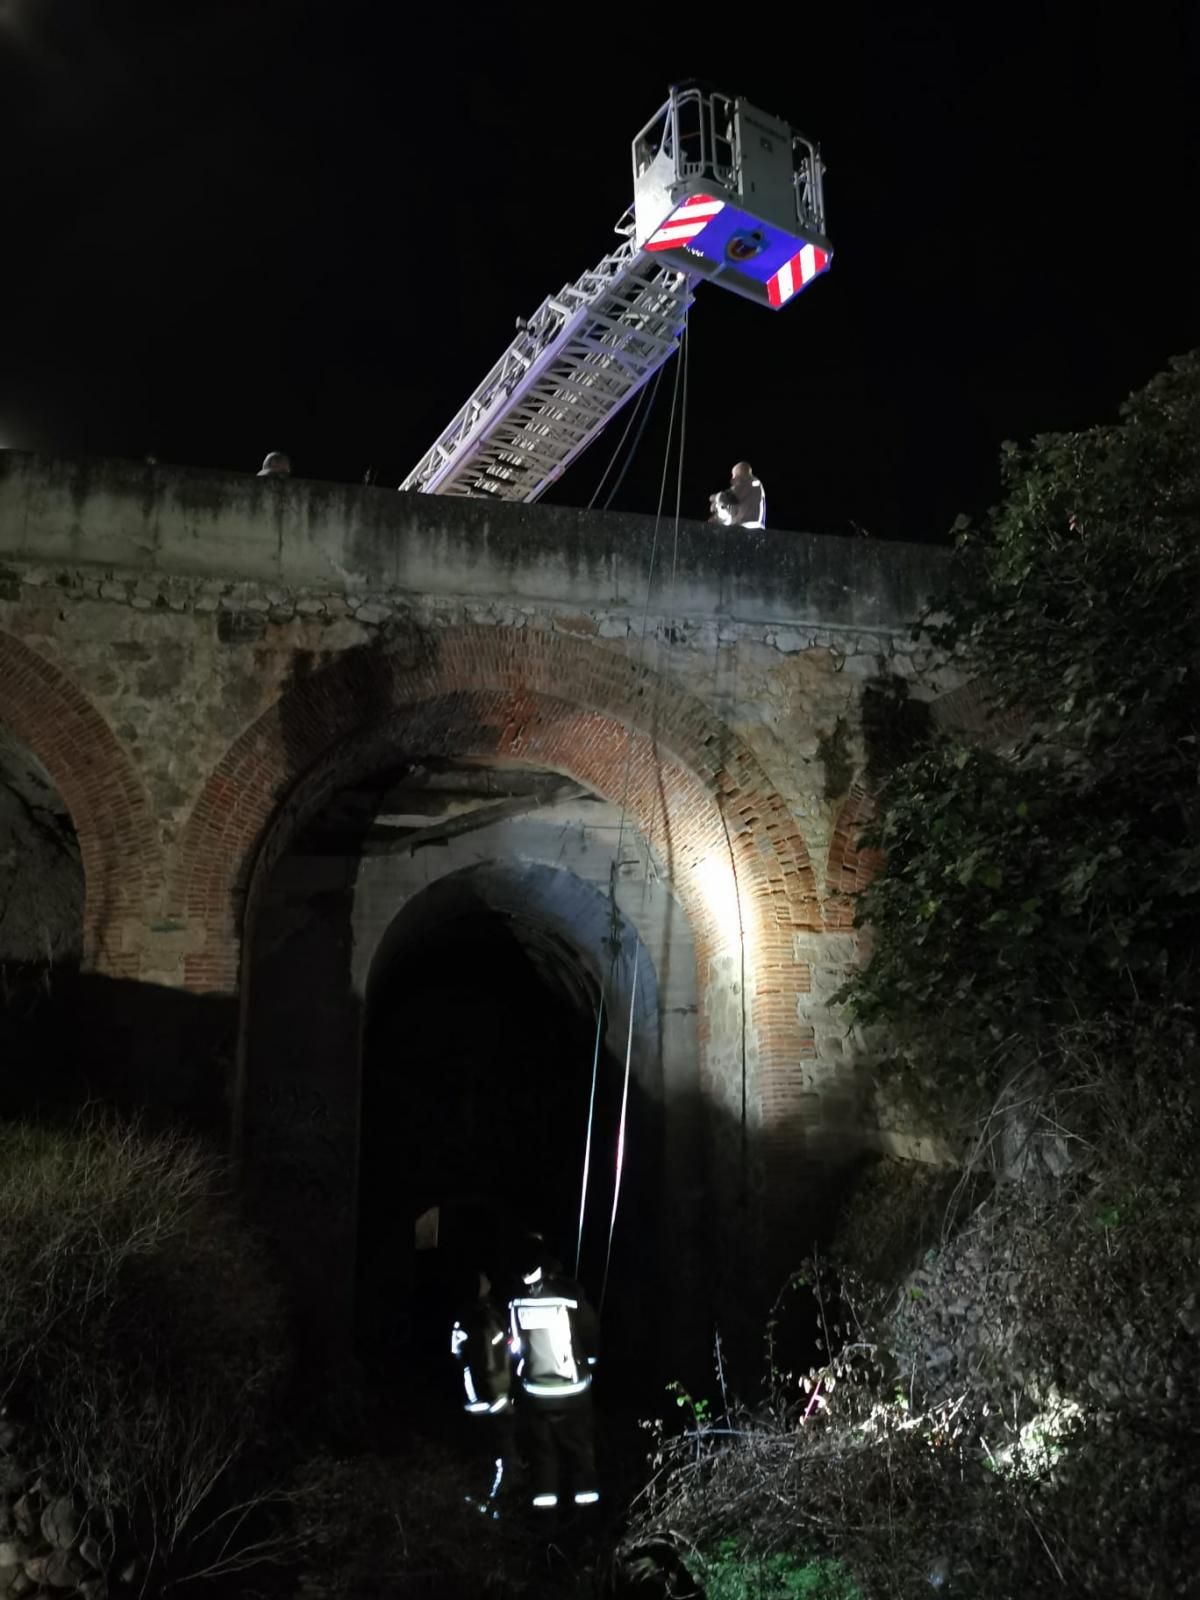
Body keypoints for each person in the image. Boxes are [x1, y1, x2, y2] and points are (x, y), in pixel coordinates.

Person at [508, 1233, 600, 1513]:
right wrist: (591, 1362)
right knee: (579, 1451)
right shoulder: (568, 1293)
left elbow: (516, 1347)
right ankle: (586, 1518)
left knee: (543, 1455)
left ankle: (545, 1519)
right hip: (571, 1390)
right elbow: (589, 1332)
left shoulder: (517, 1300)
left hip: (535, 1392)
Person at [450, 1269, 515, 1517]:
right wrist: (500, 1395)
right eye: (485, 1279)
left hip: (472, 1396)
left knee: (477, 1451)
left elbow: (456, 1354)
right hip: (493, 1396)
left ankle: (472, 1499)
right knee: (499, 1453)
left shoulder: (462, 1317)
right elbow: (491, 1360)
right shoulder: (485, 1317)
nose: (489, 1281)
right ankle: (493, 1505)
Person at [708, 461, 766, 529]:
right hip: (747, 526)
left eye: (734, 475)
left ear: (741, 472)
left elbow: (730, 497)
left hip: (749, 526)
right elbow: (732, 514)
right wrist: (719, 516)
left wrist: (715, 497)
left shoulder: (750, 481)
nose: (732, 480)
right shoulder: (750, 488)